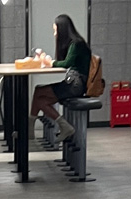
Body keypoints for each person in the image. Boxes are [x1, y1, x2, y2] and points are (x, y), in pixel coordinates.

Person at [30, 15, 91, 143]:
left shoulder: (77, 43)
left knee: (39, 93)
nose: (54, 34)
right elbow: (66, 61)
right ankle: (62, 127)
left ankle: (32, 130)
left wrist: (50, 63)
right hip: (74, 83)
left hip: (75, 85)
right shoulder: (76, 43)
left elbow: (67, 63)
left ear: (62, 29)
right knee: (39, 97)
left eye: (55, 30)